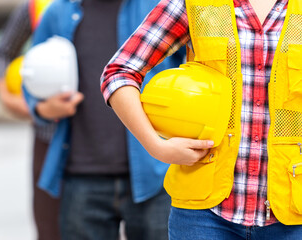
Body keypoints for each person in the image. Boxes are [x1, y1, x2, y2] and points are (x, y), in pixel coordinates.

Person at [101, 0, 302, 239]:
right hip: (203, 217)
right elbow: (120, 72)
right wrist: (157, 147)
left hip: (293, 212)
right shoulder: (192, 3)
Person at [23, 0, 185, 238]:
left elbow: (193, 66)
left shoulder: (160, 7)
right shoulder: (59, 11)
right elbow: (31, 78)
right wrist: (45, 108)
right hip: (81, 174)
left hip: (156, 173)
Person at [0, 1, 61, 240]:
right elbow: (3, 53)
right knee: (48, 224)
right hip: (48, 133)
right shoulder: (34, 7)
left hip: (99, 136)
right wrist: (7, 97)